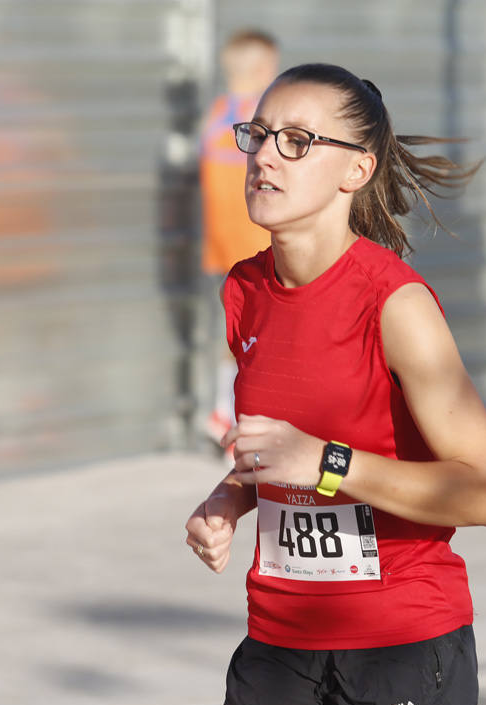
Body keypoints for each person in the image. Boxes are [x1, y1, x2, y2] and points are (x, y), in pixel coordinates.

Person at [184, 62, 486, 705]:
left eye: (298, 142)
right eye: (260, 134)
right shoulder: (244, 291)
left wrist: (328, 464)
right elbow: (279, 449)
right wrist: (228, 498)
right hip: (281, 633)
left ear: (355, 170)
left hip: (398, 642)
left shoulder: (395, 305)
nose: (265, 157)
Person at [199, 29, 278, 444]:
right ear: (264, 69)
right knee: (256, 339)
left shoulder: (214, 114)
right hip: (255, 247)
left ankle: (221, 412)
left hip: (221, 248)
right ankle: (236, 421)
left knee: (232, 335)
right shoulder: (260, 119)